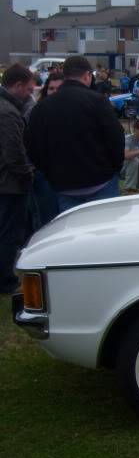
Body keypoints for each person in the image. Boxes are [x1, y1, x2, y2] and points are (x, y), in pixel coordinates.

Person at [26, 55, 124, 212]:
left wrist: (49, 171)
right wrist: (114, 167)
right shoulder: (98, 101)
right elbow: (116, 138)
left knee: (70, 234)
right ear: (87, 76)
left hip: (63, 184)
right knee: (104, 231)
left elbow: (32, 146)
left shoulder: (42, 107)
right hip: (100, 180)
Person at [0, 65, 35, 292]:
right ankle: (5, 280)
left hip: (6, 181)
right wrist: (27, 172)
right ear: (18, 85)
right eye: (28, 89)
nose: (30, 94)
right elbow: (13, 153)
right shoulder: (8, 113)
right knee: (8, 233)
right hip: (9, 184)